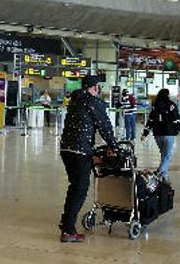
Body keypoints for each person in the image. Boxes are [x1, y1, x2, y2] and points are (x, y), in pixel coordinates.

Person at [58, 75, 119, 243]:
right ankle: (68, 230)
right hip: (80, 151)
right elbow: (104, 126)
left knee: (75, 186)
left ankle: (66, 221)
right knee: (80, 189)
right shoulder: (93, 102)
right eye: (97, 86)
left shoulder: (74, 101)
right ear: (95, 88)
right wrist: (115, 147)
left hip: (66, 150)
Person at [142, 89, 180, 179]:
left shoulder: (155, 106)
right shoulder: (171, 105)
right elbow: (175, 119)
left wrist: (145, 133)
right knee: (168, 156)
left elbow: (150, 120)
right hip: (169, 133)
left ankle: (164, 177)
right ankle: (160, 171)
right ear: (167, 95)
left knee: (164, 154)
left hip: (157, 134)